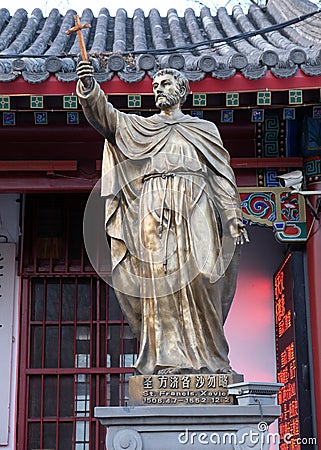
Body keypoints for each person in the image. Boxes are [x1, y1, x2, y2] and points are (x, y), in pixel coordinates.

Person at [77, 61, 249, 375]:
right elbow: (107, 119)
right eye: (156, 86)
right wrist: (90, 89)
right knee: (161, 282)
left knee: (202, 276)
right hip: (154, 207)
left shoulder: (204, 130)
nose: (159, 90)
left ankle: (210, 359)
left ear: (182, 91)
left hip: (196, 203)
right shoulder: (142, 127)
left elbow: (221, 177)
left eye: (166, 84)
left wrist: (233, 215)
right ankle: (166, 360)